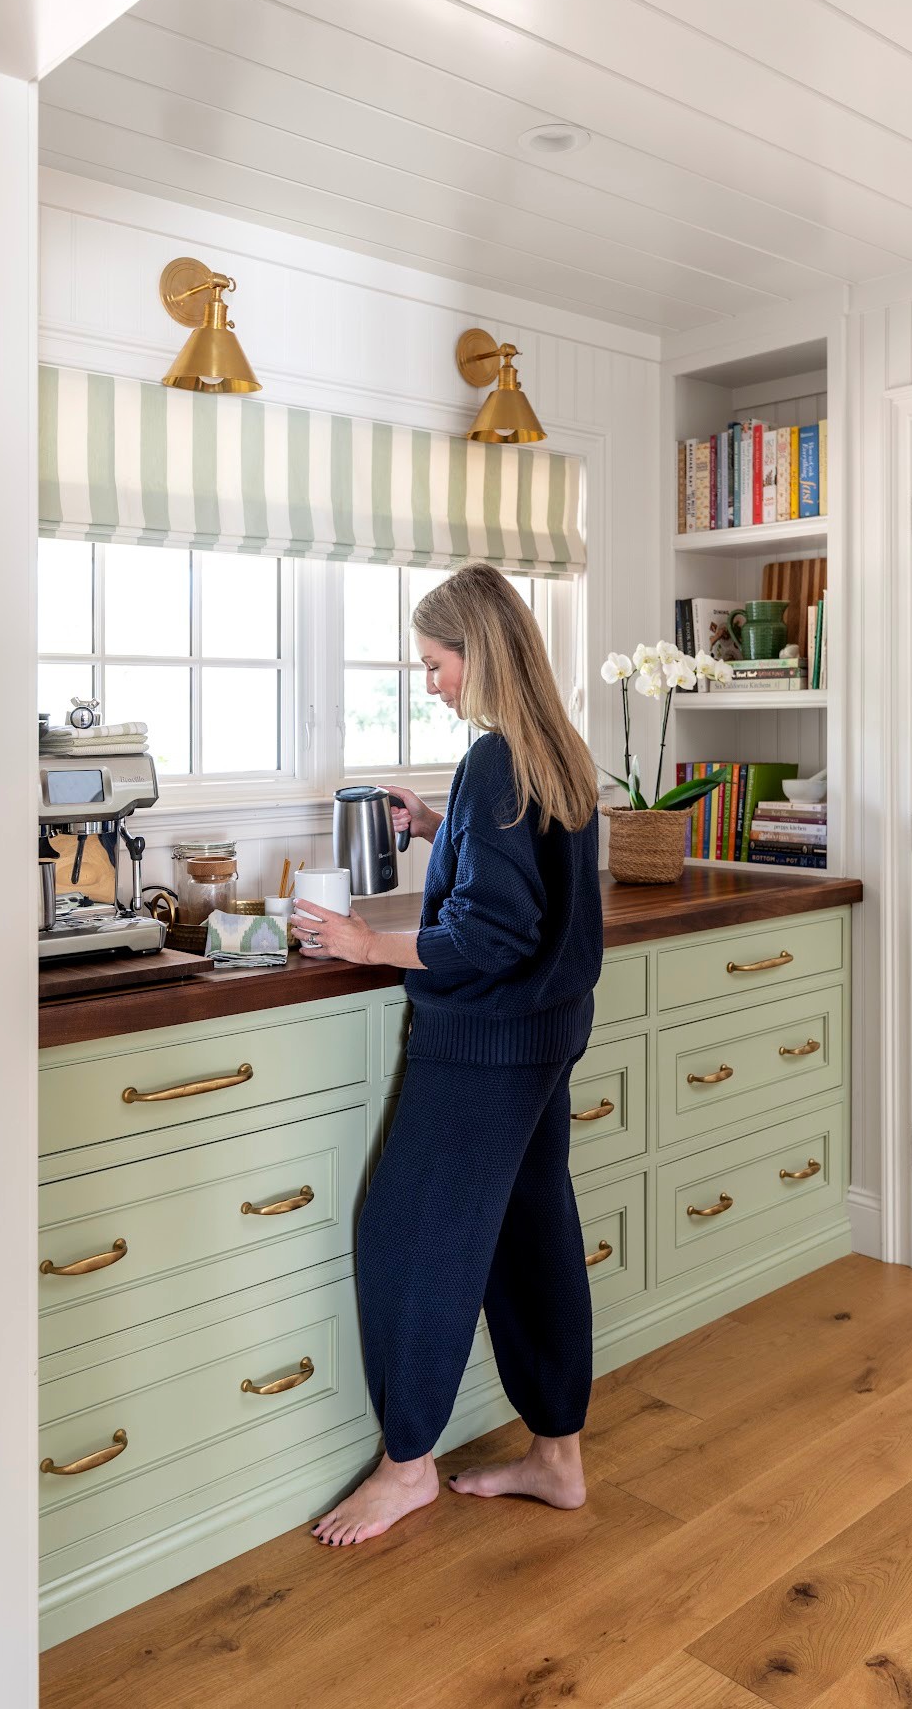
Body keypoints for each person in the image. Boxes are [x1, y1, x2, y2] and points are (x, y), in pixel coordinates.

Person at [292, 561, 604, 1548]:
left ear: (482, 654)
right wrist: (437, 825)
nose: (429, 682)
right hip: (550, 1032)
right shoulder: (550, 750)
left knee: (407, 1236)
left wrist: (368, 944)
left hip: (483, 1042)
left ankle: (407, 1465)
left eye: (434, 663)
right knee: (530, 1235)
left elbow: (490, 934)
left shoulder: (492, 763)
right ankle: (557, 1457)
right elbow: (523, 889)